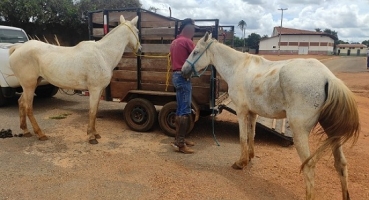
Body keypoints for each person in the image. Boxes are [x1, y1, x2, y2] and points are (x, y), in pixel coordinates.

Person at [170, 18, 197, 154]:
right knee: (185, 110)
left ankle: (179, 139)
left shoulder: (175, 42)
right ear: (187, 30)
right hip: (183, 76)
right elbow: (197, 55)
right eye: (192, 30)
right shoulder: (187, 41)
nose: (193, 32)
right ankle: (180, 144)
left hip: (175, 76)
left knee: (180, 109)